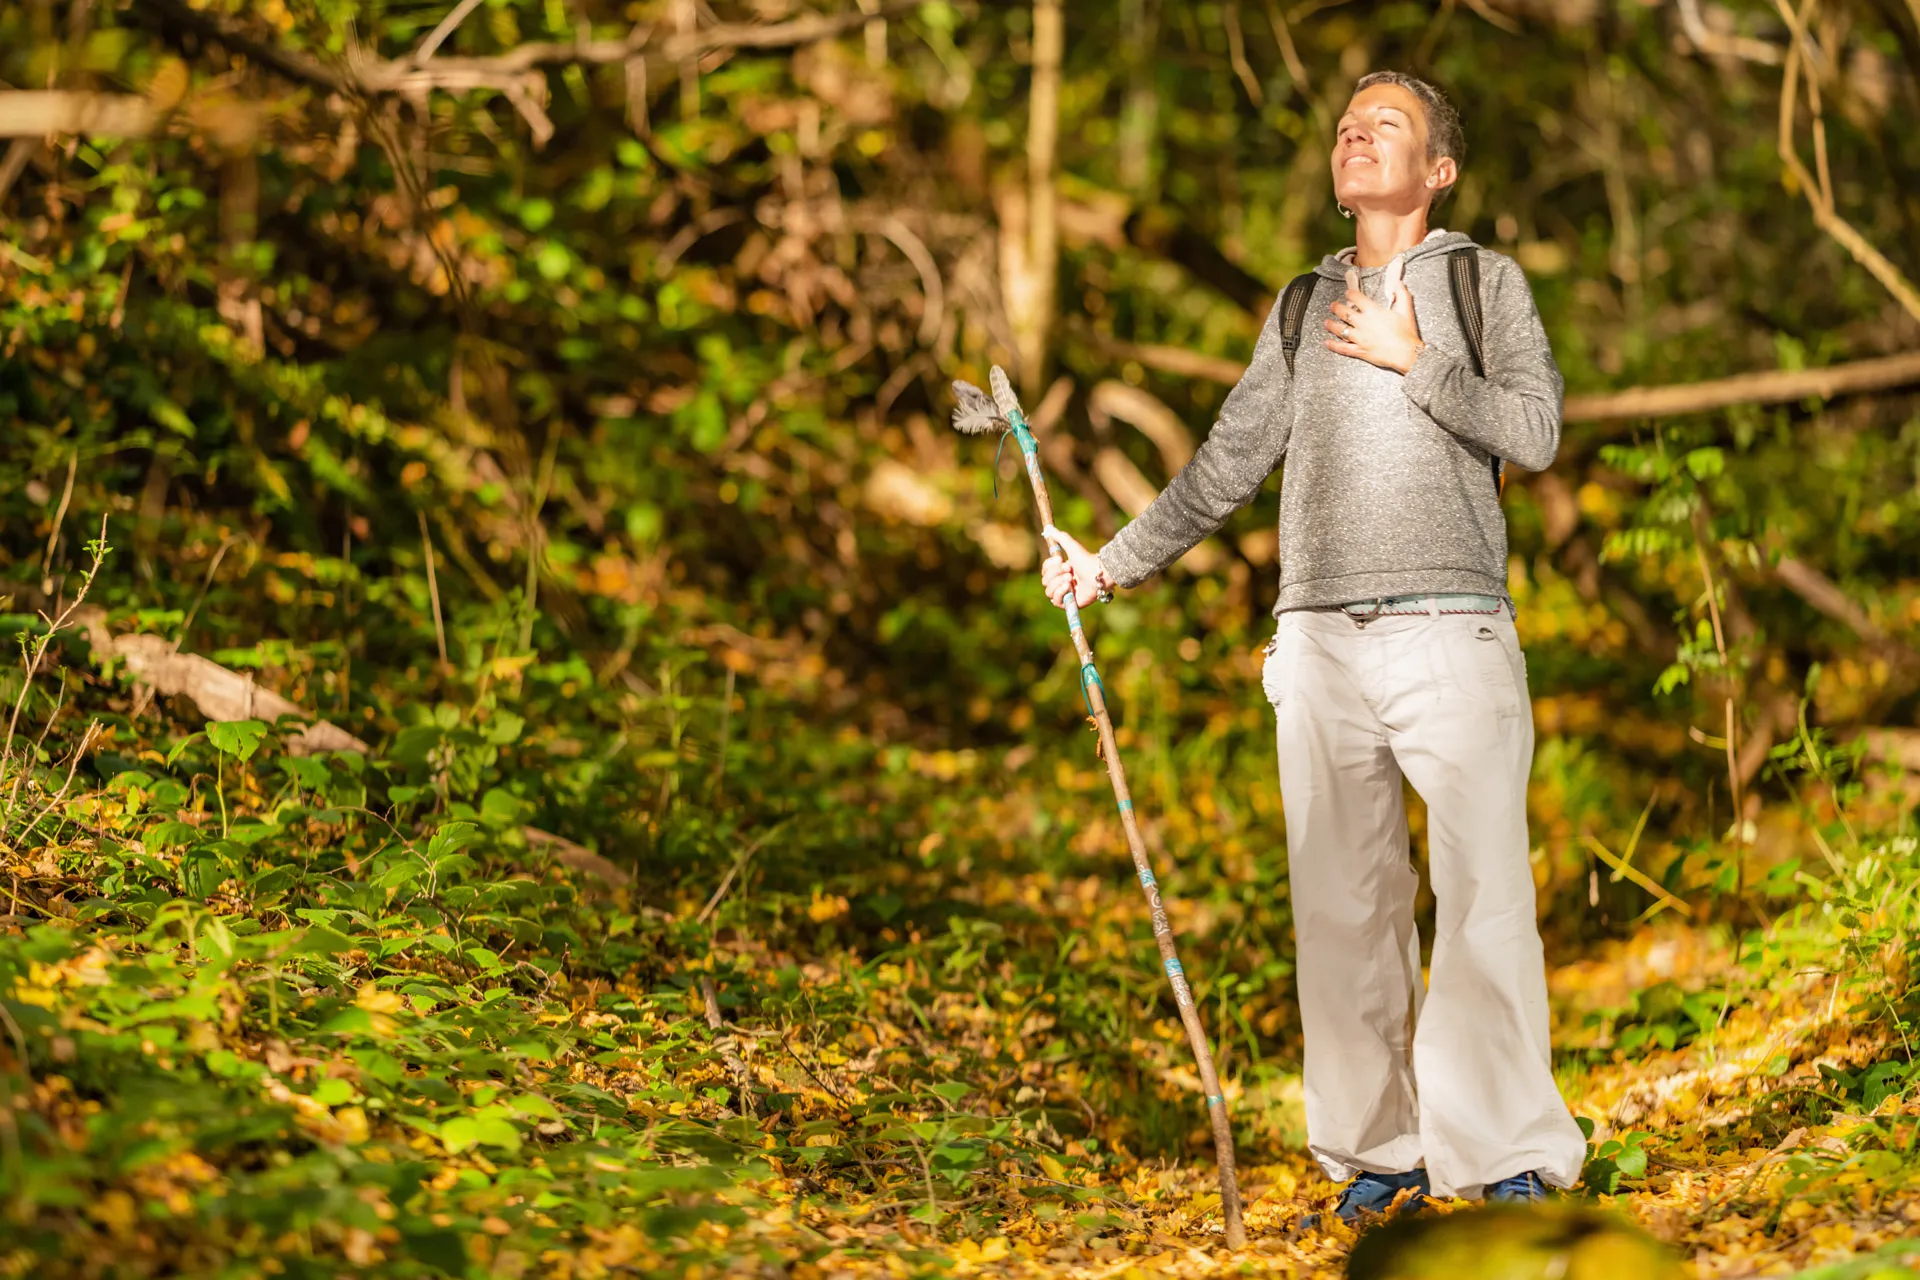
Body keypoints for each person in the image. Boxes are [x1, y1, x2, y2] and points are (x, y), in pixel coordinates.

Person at [1041, 71, 1588, 1223]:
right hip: (1320, 644)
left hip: (1456, 629)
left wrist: (1415, 358)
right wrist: (1110, 562)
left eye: (1384, 122)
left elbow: (1535, 431)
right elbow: (1227, 462)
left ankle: (1502, 1155)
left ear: (1437, 168)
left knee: (1484, 896)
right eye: (1347, 121)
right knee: (1343, 908)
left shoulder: (1485, 283)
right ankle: (1378, 1155)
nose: (1355, 133)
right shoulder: (1299, 304)